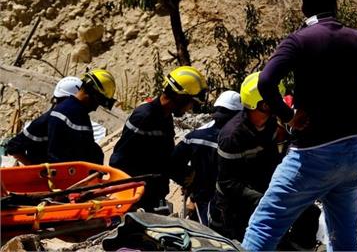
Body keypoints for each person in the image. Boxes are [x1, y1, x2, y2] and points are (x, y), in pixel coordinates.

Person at [242, 0, 357, 251]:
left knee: (264, 225)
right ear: (336, 6)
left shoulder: (298, 41)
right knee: (344, 241)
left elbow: (265, 82)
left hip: (312, 154)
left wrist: (288, 116)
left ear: (303, 8)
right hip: (353, 152)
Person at [110, 66, 207, 212]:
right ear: (180, 97)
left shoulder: (164, 117)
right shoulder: (144, 117)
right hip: (136, 199)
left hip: (152, 196)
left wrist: (185, 175)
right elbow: (119, 160)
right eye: (191, 102)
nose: (190, 108)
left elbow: (161, 158)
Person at [208, 72, 283, 241]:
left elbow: (271, 161)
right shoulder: (232, 136)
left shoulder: (270, 124)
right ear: (263, 105)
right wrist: (263, 200)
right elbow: (228, 183)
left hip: (259, 194)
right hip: (233, 208)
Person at [170, 90, 243, 224]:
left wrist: (186, 178)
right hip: (224, 210)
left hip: (199, 204)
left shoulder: (194, 137)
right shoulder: (238, 143)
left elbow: (171, 163)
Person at [5, 76, 82, 165]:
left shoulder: (73, 122)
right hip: (45, 177)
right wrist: (33, 168)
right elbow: (13, 147)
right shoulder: (44, 121)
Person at [46, 69, 116, 165]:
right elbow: (86, 152)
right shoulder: (76, 116)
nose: (95, 108)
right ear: (92, 95)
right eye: (97, 103)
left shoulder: (65, 109)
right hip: (69, 176)